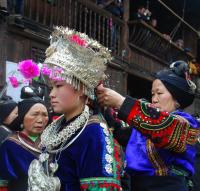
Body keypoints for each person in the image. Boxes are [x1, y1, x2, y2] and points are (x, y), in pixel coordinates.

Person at [27, 26, 124, 191]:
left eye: (58, 86)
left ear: (80, 89)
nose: (51, 94)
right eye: (51, 87)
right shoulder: (57, 127)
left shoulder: (93, 133)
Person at [96, 60, 200, 191]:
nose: (154, 99)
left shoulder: (186, 124)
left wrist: (121, 103)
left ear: (177, 100)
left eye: (159, 93)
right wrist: (103, 106)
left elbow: (163, 128)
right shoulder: (142, 126)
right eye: (152, 94)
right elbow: (119, 133)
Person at [0, 97, 49, 191]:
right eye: (35, 114)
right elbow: (3, 181)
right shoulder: (10, 145)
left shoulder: (51, 143)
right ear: (22, 116)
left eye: (44, 115)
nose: (40, 120)